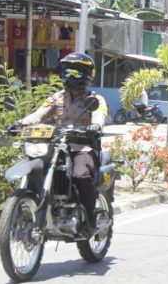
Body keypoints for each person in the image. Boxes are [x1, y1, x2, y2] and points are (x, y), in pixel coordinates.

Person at [20, 52, 108, 232]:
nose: (70, 77)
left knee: (80, 175)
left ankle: (90, 216)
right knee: (35, 166)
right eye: (67, 73)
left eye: (75, 73)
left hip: (82, 146)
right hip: (57, 146)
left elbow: (100, 115)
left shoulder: (95, 99)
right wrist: (21, 123)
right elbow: (39, 113)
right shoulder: (57, 97)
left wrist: (96, 126)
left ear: (87, 75)